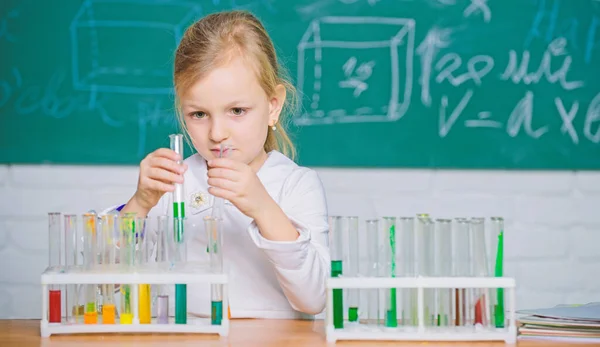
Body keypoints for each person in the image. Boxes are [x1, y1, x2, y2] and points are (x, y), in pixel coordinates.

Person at [109, 10, 330, 319]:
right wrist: (141, 203)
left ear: (273, 106)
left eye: (237, 110)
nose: (216, 133)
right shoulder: (176, 182)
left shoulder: (296, 185)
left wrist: (264, 208)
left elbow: (314, 299)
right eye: (198, 114)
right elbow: (107, 283)